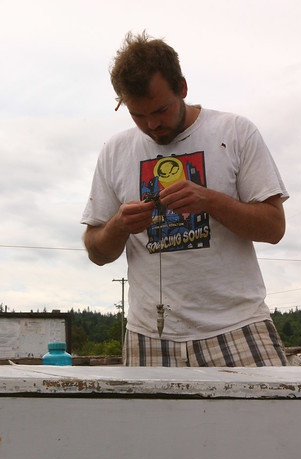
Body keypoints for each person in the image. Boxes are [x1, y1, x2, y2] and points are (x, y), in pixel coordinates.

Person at [81, 31, 289, 367]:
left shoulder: (235, 132)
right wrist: (118, 225)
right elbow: (96, 251)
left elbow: (274, 227)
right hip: (148, 336)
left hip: (238, 326)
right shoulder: (114, 151)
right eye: (138, 115)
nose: (152, 124)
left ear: (183, 87)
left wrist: (210, 201)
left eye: (161, 110)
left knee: (272, 419)